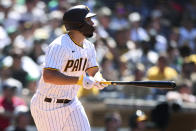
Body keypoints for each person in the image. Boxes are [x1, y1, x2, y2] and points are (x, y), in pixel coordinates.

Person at [30, 5, 108, 131]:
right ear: (78, 24)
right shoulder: (59, 45)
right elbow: (49, 76)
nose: (92, 23)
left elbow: (92, 70)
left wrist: (98, 78)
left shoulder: (89, 46)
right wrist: (79, 80)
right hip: (47, 105)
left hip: (72, 102)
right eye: (88, 20)